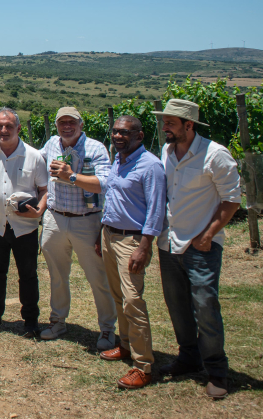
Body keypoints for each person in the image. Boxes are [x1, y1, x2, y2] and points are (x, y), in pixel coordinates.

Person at [153, 99, 241, 400]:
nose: (165, 127)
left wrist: (209, 235)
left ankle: (217, 371)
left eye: (170, 123)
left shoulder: (215, 155)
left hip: (200, 245)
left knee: (205, 307)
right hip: (169, 243)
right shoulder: (166, 152)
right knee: (177, 306)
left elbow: (231, 200)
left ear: (188, 126)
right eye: (164, 122)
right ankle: (188, 358)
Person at [37, 106, 118, 351]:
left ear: (81, 125)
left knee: (98, 278)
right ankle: (58, 321)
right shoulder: (51, 144)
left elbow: (104, 183)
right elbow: (34, 160)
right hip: (55, 218)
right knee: (57, 276)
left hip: (87, 220)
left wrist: (72, 176)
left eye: (71, 122)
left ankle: (107, 328)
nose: (67, 126)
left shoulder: (95, 148)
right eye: (62, 122)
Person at [95, 116, 166, 390]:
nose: (117, 136)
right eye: (114, 131)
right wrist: (101, 233)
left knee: (132, 300)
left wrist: (144, 246)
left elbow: (156, 210)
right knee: (118, 296)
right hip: (110, 235)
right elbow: (113, 199)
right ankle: (124, 346)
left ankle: (143, 365)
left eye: (124, 132)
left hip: (132, 241)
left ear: (140, 134)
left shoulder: (151, 166)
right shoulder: (119, 160)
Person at [0, 108, 48, 334]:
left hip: (25, 227)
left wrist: (39, 210)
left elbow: (44, 190)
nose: (3, 130)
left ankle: (31, 320)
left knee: (28, 274)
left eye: (9, 126)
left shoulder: (34, 156)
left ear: (18, 128)